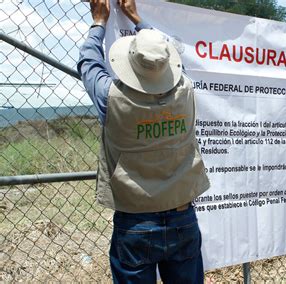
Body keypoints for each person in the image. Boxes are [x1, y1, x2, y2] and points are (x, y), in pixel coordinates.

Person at [77, 0, 210, 282]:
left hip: (135, 219)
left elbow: (88, 63)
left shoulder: (110, 97)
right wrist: (139, 20)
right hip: (182, 216)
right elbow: (172, 57)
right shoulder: (185, 89)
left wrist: (99, 22)